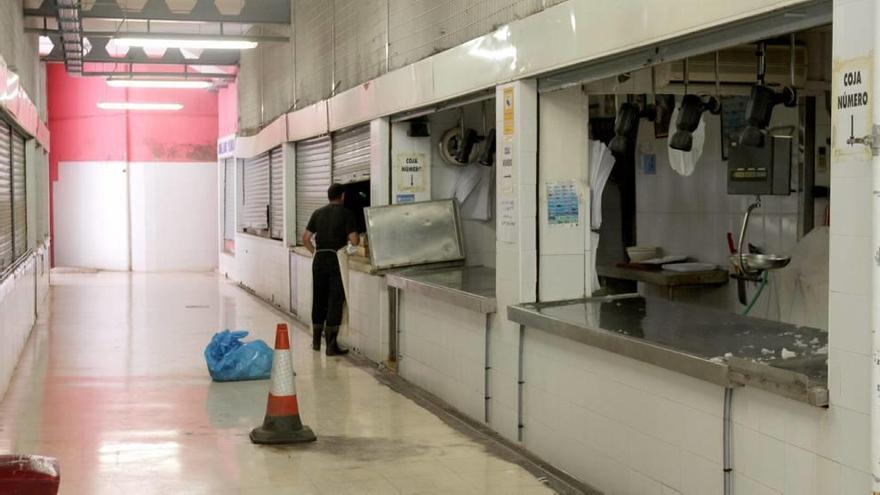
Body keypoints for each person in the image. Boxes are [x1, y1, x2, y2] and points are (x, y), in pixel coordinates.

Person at [302, 183, 360, 356]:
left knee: (318, 298)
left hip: (319, 259)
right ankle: (331, 345)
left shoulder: (317, 213)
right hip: (335, 259)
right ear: (342, 196)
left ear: (328, 196)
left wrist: (315, 253)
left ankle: (315, 342)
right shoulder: (346, 214)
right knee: (335, 300)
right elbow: (354, 240)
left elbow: (305, 238)